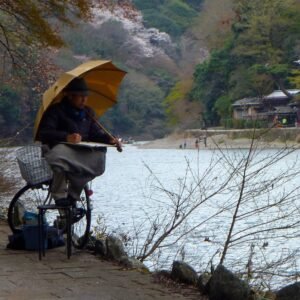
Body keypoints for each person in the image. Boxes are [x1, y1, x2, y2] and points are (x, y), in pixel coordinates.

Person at [37, 77, 121, 208]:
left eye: (85, 96)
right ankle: (59, 196)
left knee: (98, 158)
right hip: (61, 150)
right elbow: (44, 133)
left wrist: (110, 139)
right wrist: (66, 137)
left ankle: (73, 194)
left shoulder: (88, 112)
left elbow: (95, 134)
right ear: (70, 96)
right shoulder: (55, 111)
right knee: (58, 157)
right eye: (80, 96)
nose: (84, 100)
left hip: (81, 152)